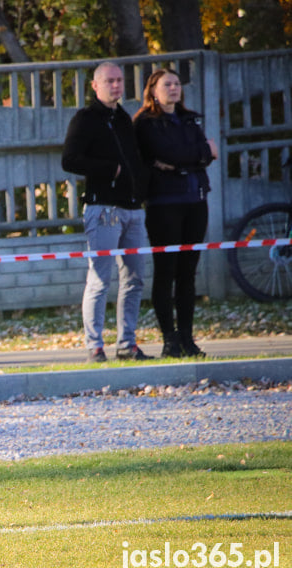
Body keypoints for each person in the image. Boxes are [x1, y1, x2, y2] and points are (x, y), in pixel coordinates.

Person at [62, 62, 152, 363]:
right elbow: (69, 160)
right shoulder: (85, 119)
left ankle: (127, 343)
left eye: (119, 80)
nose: (116, 85)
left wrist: (140, 185)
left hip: (132, 209)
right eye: (110, 81)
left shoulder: (124, 118)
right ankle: (95, 346)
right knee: (100, 279)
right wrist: (108, 170)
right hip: (103, 210)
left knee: (135, 279)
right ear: (95, 85)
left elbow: (136, 157)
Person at [134, 68, 218, 358]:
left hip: (196, 200)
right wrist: (197, 154)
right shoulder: (145, 123)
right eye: (167, 84)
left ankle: (186, 337)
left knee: (188, 273)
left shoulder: (188, 119)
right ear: (153, 90)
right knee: (166, 271)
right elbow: (167, 153)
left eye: (176, 84)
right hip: (163, 204)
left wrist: (191, 157)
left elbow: (208, 152)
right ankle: (169, 339)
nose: (173, 88)